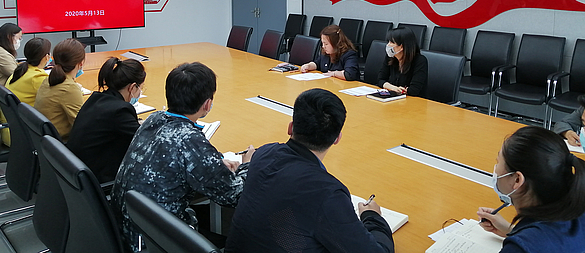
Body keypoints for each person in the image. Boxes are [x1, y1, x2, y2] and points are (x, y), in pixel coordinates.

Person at [225, 88, 395, 253]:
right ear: (337, 139)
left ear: (290, 128)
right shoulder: (327, 193)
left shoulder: (263, 154)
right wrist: (372, 217)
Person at [111, 62, 255, 253]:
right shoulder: (189, 140)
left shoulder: (153, 119)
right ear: (207, 104)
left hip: (124, 231)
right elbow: (234, 195)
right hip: (158, 241)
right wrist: (248, 164)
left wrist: (213, 161)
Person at [477, 126, 585, 252]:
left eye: (498, 162)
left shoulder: (519, 248)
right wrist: (513, 231)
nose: (495, 169)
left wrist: (520, 241)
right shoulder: (578, 210)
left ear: (517, 180)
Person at [67, 57, 145, 184]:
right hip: (97, 181)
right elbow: (145, 141)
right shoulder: (121, 111)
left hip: (76, 173)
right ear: (132, 87)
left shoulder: (96, 98)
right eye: (141, 88)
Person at [1, 37, 51, 146]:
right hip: (23, 136)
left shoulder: (20, 70)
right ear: (46, 57)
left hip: (12, 131)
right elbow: (59, 98)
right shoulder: (37, 77)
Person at [34, 38, 86, 142]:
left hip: (45, 141)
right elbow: (82, 127)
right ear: (81, 63)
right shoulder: (69, 88)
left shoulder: (48, 79)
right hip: (60, 144)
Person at [377, 27, 427, 96]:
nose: (388, 45)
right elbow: (380, 79)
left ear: (401, 47)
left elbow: (414, 90)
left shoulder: (420, 61)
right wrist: (393, 88)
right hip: (393, 97)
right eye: (388, 41)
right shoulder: (391, 57)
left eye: (392, 42)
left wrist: (391, 87)